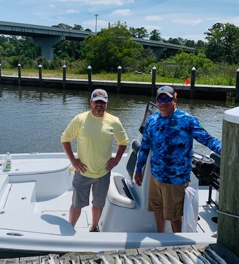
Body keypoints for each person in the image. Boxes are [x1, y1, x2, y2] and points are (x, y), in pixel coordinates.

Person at [134, 85, 222, 233]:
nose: (163, 102)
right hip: (155, 176)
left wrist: (228, 152)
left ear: (174, 99)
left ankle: (177, 244)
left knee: (175, 217)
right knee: (157, 209)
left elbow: (208, 140)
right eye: (160, 99)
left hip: (175, 181)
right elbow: (145, 146)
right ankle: (160, 235)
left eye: (167, 98)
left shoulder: (187, 120)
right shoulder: (152, 120)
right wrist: (138, 169)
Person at [61, 89, 129, 232]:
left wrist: (116, 159)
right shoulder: (80, 119)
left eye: (102, 102)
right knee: (76, 205)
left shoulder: (114, 121)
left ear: (107, 104)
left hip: (103, 173)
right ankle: (70, 229)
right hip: (83, 172)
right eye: (96, 102)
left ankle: (94, 227)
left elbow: (123, 141)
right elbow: (65, 139)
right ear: (91, 102)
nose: (99, 105)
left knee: (98, 204)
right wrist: (74, 161)